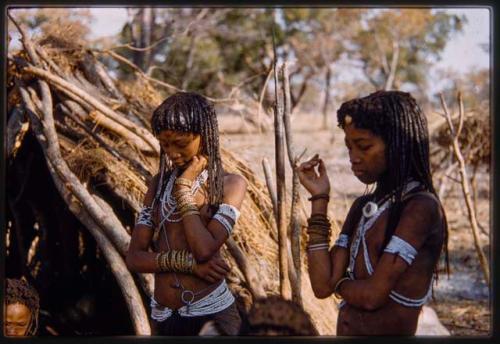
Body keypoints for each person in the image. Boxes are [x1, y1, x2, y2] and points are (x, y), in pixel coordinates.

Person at [297, 90, 448, 335]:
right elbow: (322, 285)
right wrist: (319, 199)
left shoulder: (420, 207)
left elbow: (371, 296)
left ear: (399, 145)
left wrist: (341, 283)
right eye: (349, 147)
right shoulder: (362, 207)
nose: (353, 158)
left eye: (364, 146)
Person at [126, 92, 247, 335]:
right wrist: (190, 266)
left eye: (180, 144)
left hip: (211, 316)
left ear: (205, 136)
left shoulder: (229, 185)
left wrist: (183, 190)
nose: (171, 153)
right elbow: (134, 258)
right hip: (163, 315)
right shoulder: (158, 184)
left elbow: (204, 249)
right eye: (164, 144)